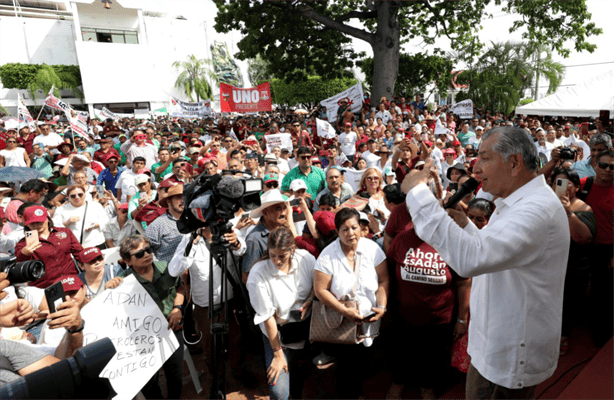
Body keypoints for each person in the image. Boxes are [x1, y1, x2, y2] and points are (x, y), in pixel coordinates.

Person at [401, 126, 570, 399]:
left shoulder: (536, 210)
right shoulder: (516, 202)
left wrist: (416, 192)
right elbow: (493, 251)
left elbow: (472, 259)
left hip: (509, 359)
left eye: (485, 158)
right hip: (492, 348)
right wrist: (465, 226)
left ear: (514, 162)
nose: (476, 169)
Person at [386, 214, 471, 400]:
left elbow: (464, 283)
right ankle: (399, 382)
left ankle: (427, 387)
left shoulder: (450, 242)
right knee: (402, 353)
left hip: (440, 319)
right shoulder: (402, 239)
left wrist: (462, 319)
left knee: (433, 358)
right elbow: (390, 268)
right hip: (403, 316)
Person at [313, 207, 389, 399]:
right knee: (345, 367)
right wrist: (344, 311)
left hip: (370, 321)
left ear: (361, 228)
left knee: (366, 361)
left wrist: (381, 306)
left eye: (354, 227)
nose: (350, 233)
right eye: (344, 229)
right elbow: (320, 290)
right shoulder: (328, 255)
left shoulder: (372, 249)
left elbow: (383, 280)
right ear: (337, 232)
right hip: (342, 322)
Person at [107, 235, 184, 399]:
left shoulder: (166, 268)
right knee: (149, 384)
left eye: (148, 250)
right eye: (140, 254)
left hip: (172, 332)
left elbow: (180, 289)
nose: (147, 255)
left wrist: (177, 308)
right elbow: (110, 310)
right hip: (142, 342)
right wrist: (110, 289)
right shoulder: (123, 283)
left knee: (175, 377)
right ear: (127, 261)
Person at [246, 226, 315, 400]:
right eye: (272, 255)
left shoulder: (306, 259)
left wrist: (310, 299)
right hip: (276, 335)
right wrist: (277, 353)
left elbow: (319, 283)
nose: (276, 261)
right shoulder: (258, 273)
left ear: (292, 249)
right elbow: (267, 317)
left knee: (299, 374)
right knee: (279, 391)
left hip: (303, 330)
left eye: (282, 256)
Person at [548, 168, 595, 355]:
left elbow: (582, 238)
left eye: (565, 183)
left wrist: (567, 212)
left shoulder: (583, 209)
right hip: (548, 266)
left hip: (572, 267)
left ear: (576, 187)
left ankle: (563, 336)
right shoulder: (546, 206)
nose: (560, 187)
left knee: (567, 303)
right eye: (556, 182)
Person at [579, 149, 614, 347]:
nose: (608, 170)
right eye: (604, 165)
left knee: (604, 291)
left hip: (606, 249)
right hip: (582, 246)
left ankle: (602, 333)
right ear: (595, 165)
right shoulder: (583, 185)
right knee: (578, 286)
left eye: (612, 167)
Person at [15, 205, 84, 289]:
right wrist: (24, 253)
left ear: (47, 219)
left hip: (71, 280)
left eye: (39, 222)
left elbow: (79, 253)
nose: (36, 225)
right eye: (32, 223)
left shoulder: (64, 232)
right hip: (45, 287)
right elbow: (21, 267)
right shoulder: (23, 244)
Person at [242, 189, 294, 281]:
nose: (284, 213)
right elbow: (247, 277)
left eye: (284, 208)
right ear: (265, 212)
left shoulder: (285, 230)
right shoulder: (255, 239)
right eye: (278, 208)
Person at [52, 184, 109, 248]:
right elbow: (54, 226)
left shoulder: (95, 206)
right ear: (68, 197)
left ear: (85, 194)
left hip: (95, 242)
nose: (77, 197)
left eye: (80, 194)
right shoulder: (61, 209)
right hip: (74, 245)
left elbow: (105, 220)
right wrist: (67, 222)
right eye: (73, 196)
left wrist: (96, 225)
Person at [144, 182, 185, 263]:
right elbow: (146, 250)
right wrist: (163, 270)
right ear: (169, 202)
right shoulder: (158, 224)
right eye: (178, 198)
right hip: (168, 271)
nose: (182, 201)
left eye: (184, 197)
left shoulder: (193, 221)